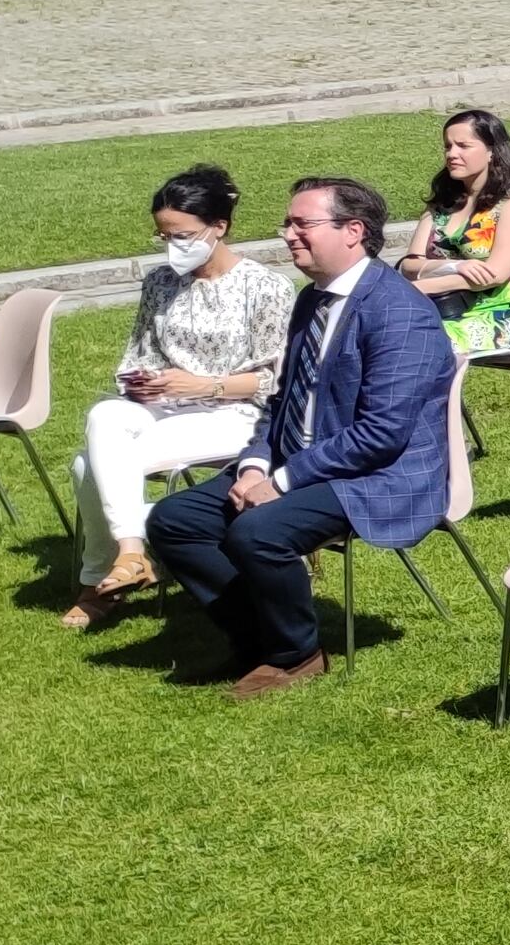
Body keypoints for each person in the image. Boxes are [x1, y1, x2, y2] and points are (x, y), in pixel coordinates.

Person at [139, 175, 454, 695]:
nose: (287, 234)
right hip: (303, 459)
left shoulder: (399, 313)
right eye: (287, 223)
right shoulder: (312, 300)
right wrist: (256, 464)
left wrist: (281, 483)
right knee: (174, 520)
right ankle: (257, 641)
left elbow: (381, 434)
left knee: (257, 532)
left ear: (353, 231)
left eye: (301, 223)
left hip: (379, 475)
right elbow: (281, 400)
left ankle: (297, 654)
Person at [65, 166, 292, 627]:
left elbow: (276, 381)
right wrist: (142, 381)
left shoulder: (265, 288)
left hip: (237, 412)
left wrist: (203, 385)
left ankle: (99, 583)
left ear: (219, 228)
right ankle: (133, 552)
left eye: (183, 235)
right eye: (163, 235)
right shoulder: (160, 282)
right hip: (164, 407)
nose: (173, 246)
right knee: (106, 414)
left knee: (88, 464)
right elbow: (138, 355)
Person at [401, 108, 510, 360]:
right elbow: (409, 265)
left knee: (404, 341)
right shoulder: (443, 204)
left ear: (492, 151)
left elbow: (493, 275)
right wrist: (455, 266)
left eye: (463, 146)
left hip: (495, 318)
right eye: (447, 146)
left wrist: (413, 290)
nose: (451, 154)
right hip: (437, 308)